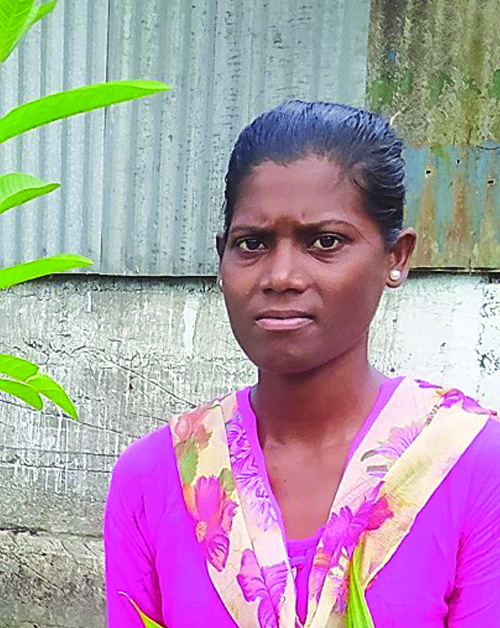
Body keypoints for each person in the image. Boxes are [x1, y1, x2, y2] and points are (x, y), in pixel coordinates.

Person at [103, 100, 500, 628]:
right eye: (253, 244)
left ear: (395, 258)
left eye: (325, 242)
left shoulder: (471, 465)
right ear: (222, 258)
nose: (281, 275)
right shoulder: (156, 477)